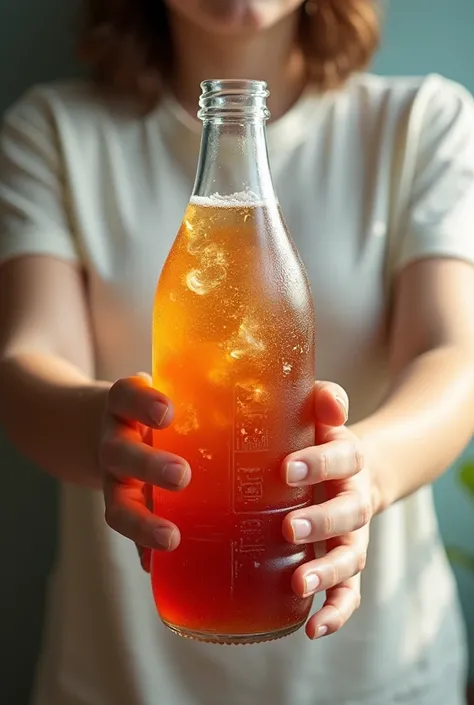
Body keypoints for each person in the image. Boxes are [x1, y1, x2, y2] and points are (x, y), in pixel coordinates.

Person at [1, 0, 474, 703]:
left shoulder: (424, 122)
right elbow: (26, 361)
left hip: (378, 676)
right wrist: (104, 430)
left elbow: (453, 355)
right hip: (122, 676)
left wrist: (365, 473)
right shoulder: (54, 130)